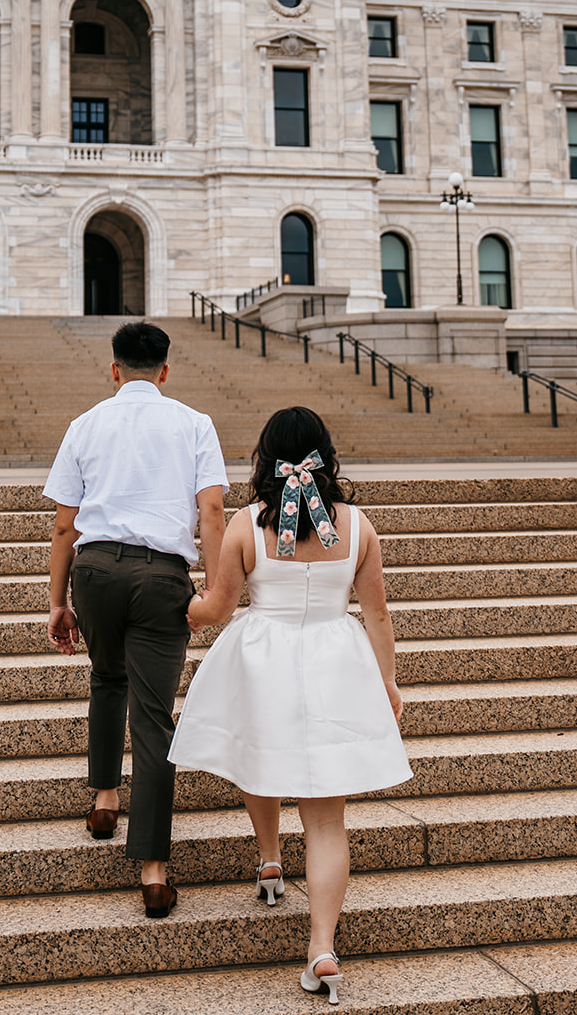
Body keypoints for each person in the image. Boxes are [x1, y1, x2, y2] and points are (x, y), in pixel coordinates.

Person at [168, 406, 410, 1005]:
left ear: (264, 458)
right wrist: (387, 680)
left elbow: (219, 607)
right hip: (335, 657)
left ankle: (271, 861)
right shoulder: (357, 527)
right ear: (327, 457)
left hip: (263, 655)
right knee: (327, 819)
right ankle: (322, 947)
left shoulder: (248, 525)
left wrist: (177, 603)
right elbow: (376, 612)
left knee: (259, 759)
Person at [44, 321, 229, 919]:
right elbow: (212, 510)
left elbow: (65, 524)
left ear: (115, 369)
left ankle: (103, 798)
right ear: (166, 371)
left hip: (94, 569)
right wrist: (216, 587)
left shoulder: (85, 424)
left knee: (106, 678)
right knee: (153, 720)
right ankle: (152, 871)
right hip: (160, 574)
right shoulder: (194, 424)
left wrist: (57, 600)